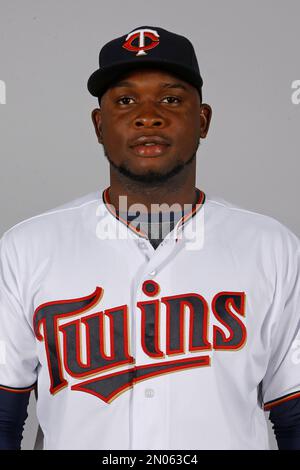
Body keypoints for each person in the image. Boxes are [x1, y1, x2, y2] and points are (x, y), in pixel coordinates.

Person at [0, 25, 300, 451]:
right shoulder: (25, 248)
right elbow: (3, 415)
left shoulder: (273, 248)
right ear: (99, 125)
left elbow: (294, 417)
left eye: (171, 99)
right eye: (125, 101)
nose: (148, 115)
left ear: (203, 120)